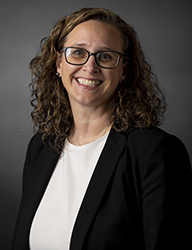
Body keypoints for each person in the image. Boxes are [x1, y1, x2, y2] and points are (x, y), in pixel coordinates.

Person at [12, 7, 192, 250]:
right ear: (58, 63)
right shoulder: (41, 147)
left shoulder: (155, 152)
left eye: (105, 56)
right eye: (77, 53)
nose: (90, 66)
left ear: (124, 71)